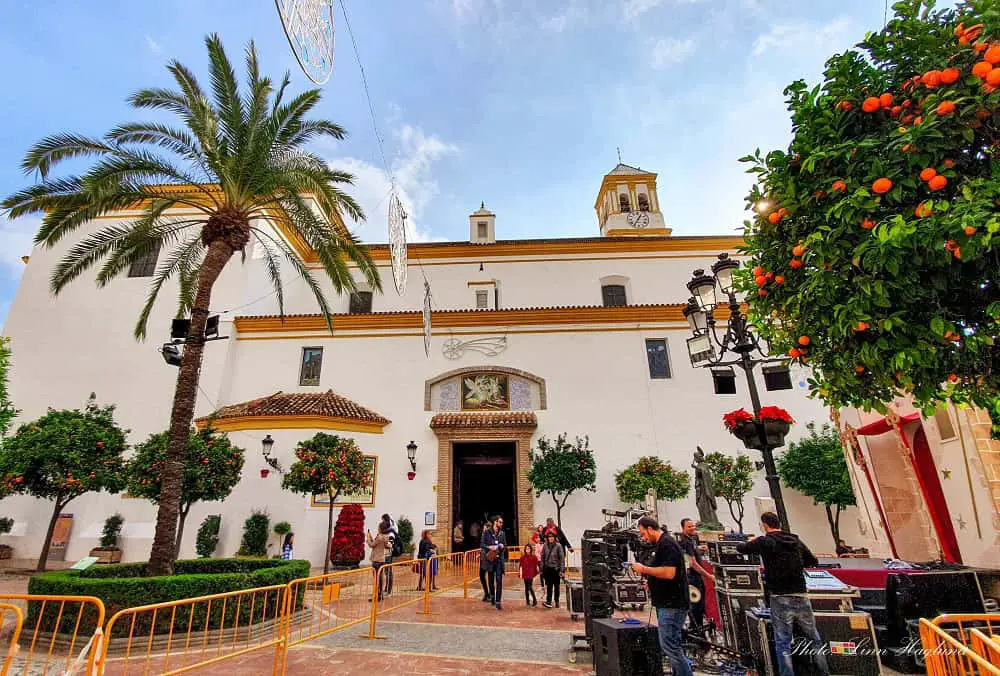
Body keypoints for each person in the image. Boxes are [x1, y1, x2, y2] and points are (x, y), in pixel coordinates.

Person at [736, 512, 830, 676]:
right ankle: (823, 672)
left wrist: (751, 541)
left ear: (765, 525)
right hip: (800, 593)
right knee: (813, 638)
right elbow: (812, 561)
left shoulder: (765, 541)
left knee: (783, 641)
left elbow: (741, 548)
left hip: (780, 595)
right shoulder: (795, 540)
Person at [631, 516, 692, 676]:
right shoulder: (661, 544)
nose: (643, 537)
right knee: (671, 645)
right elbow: (662, 571)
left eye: (644, 534)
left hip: (672, 605)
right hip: (666, 603)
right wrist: (651, 581)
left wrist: (644, 569)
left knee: (670, 647)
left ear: (651, 529)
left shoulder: (667, 544)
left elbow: (669, 572)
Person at [679, 518, 715, 629]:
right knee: (696, 606)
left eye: (693, 526)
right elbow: (693, 563)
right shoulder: (686, 542)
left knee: (698, 605)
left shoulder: (690, 540)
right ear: (683, 528)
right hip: (693, 578)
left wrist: (698, 548)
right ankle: (696, 629)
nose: (692, 528)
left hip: (695, 577)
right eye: (689, 526)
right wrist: (709, 576)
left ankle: (697, 627)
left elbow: (691, 553)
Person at [482, 515, 507, 610]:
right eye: (500, 522)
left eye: (502, 522)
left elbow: (505, 545)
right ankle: (492, 596)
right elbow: (482, 544)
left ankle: (498, 602)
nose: (501, 524)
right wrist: (489, 547)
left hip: (499, 560)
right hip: (490, 560)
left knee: (499, 580)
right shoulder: (487, 532)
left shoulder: (502, 534)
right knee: (491, 580)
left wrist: (502, 546)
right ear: (495, 522)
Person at [540, 530, 565, 609]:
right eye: (549, 537)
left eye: (552, 537)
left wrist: (562, 570)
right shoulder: (545, 546)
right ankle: (548, 601)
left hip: (556, 569)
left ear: (554, 538)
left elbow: (562, 559)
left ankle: (556, 601)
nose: (550, 538)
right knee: (549, 586)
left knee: (556, 586)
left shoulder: (558, 546)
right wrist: (542, 568)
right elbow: (542, 557)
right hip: (548, 569)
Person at [366, 523, 391, 601]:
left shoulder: (380, 537)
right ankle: (380, 595)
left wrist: (367, 539)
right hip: (381, 559)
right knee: (380, 579)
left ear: (381, 528)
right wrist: (371, 537)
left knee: (376, 579)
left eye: (379, 527)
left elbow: (372, 545)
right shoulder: (385, 537)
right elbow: (378, 544)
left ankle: (377, 596)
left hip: (376, 559)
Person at [478, 518, 493, 603]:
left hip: (489, 558)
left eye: (484, 527)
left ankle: (491, 594)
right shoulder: (483, 535)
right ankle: (486, 593)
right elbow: (482, 546)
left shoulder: (490, 535)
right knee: (481, 575)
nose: (483, 529)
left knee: (490, 577)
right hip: (483, 557)